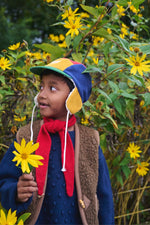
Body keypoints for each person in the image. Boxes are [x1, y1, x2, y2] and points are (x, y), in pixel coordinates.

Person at [0, 58, 114, 225]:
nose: (42, 94)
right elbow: (4, 181)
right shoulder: (26, 136)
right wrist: (15, 192)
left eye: (52, 88)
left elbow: (104, 195)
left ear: (73, 98)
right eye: (41, 87)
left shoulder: (90, 140)